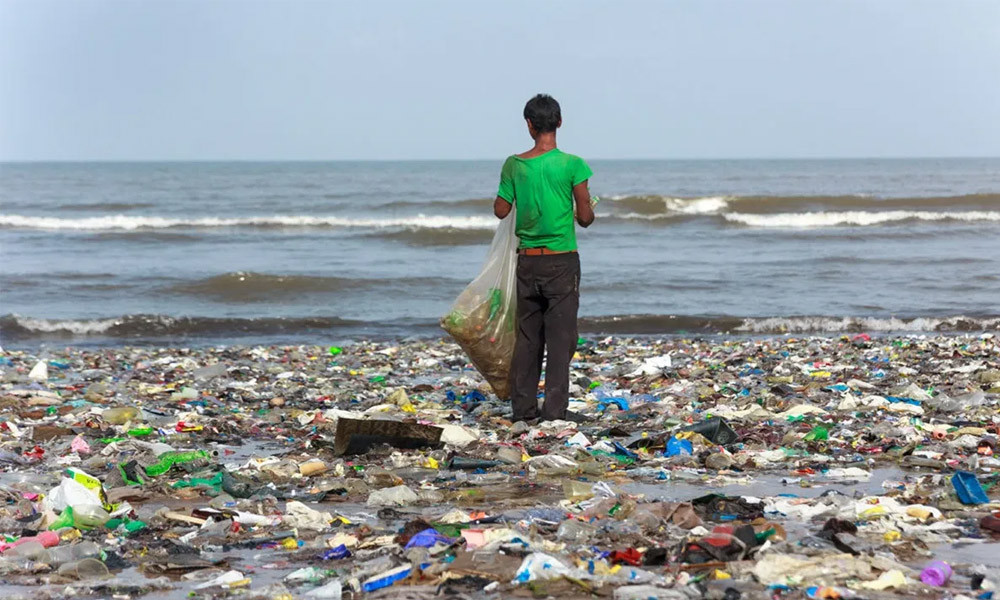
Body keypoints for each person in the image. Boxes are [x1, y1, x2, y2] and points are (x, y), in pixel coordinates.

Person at [493, 94, 595, 423]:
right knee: (561, 340)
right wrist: (586, 205)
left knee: (528, 337)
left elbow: (500, 210)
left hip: (527, 261)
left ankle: (523, 411)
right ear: (559, 122)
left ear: (529, 125)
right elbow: (585, 218)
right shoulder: (573, 165)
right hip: (562, 261)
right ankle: (554, 411)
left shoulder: (514, 164)